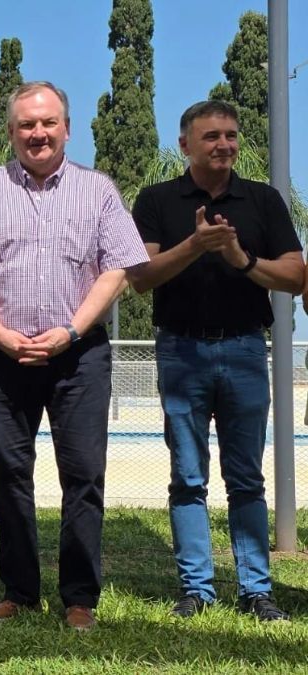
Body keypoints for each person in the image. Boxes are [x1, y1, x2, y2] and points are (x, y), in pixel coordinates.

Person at [0, 81, 149, 631]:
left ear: (66, 128)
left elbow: (118, 267)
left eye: (48, 122)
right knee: (9, 473)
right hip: (0, 355)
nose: (38, 133)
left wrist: (71, 332)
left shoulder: (98, 191)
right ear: (11, 132)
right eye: (26, 124)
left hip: (79, 357)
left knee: (83, 476)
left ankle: (79, 598)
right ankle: (19, 591)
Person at [130, 100, 303, 621]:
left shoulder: (263, 201)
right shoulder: (157, 199)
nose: (223, 145)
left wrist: (240, 259)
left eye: (230, 135)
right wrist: (197, 244)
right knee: (187, 476)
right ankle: (197, 590)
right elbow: (139, 276)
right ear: (185, 144)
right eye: (211, 137)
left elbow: (296, 277)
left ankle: (256, 589)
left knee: (246, 477)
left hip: (247, 348)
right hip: (180, 350)